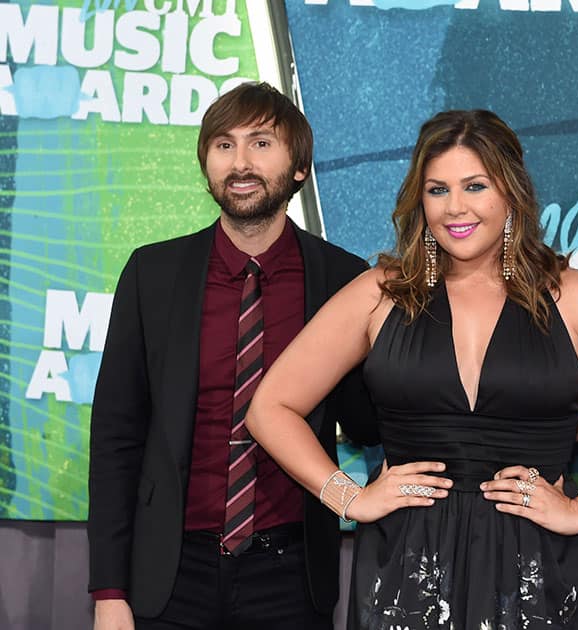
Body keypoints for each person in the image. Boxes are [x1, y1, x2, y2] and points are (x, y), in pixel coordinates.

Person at [245, 109, 578, 630]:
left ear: (509, 190)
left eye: (475, 186)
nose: (455, 207)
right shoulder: (380, 293)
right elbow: (270, 408)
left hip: (538, 569)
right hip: (405, 571)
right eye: (437, 190)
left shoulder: (574, 297)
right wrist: (349, 498)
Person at [87, 81, 376, 630]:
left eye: (261, 143)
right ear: (207, 166)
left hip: (291, 575)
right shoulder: (153, 274)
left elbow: (367, 421)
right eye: (224, 145)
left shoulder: (343, 279)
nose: (240, 162)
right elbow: (117, 439)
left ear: (299, 168)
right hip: (168, 573)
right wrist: (108, 591)